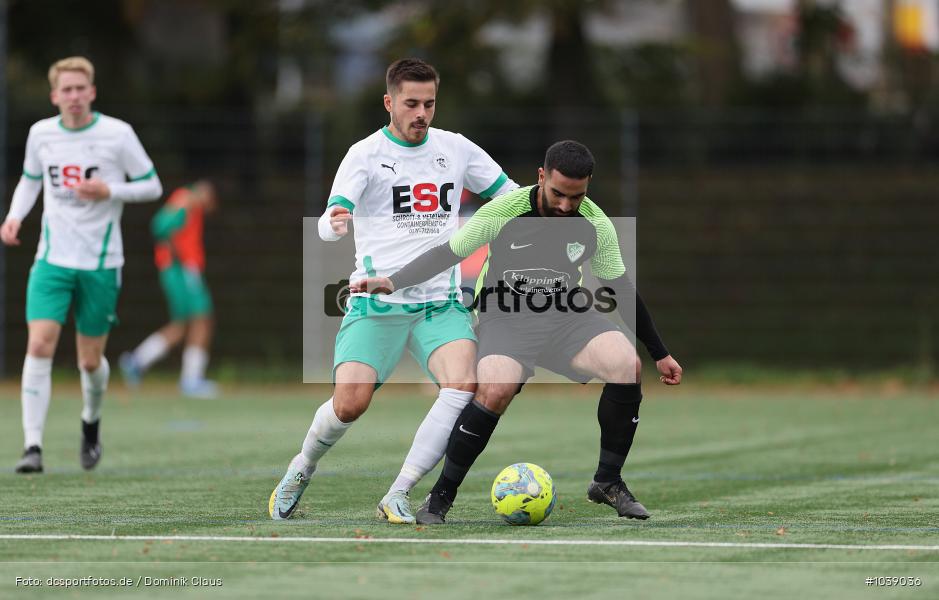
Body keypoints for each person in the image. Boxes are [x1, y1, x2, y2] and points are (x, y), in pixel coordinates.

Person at [352, 140, 683, 524]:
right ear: (541, 177)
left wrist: (659, 352)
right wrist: (394, 281)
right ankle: (441, 496)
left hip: (565, 316)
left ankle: (607, 482)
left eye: (575, 197)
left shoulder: (595, 223)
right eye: (558, 193)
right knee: (495, 387)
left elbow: (620, 289)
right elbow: (449, 252)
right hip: (504, 315)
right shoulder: (504, 211)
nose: (564, 206)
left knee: (626, 364)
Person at [268, 58, 518, 523]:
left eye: (429, 103)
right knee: (350, 404)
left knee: (462, 387)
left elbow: (509, 195)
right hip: (376, 303)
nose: (421, 113)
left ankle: (399, 492)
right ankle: (302, 467)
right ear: (389, 103)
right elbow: (329, 220)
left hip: (439, 305)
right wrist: (334, 224)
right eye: (411, 104)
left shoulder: (457, 149)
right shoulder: (363, 154)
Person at [1, 56, 163, 473]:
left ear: (91, 92)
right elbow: (30, 179)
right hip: (52, 260)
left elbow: (152, 185)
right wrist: (15, 215)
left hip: (101, 262)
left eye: (80, 89)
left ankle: (90, 424)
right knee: (38, 344)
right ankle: (32, 447)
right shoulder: (41, 134)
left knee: (89, 361)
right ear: (55, 95)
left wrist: (110, 189)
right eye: (66, 90)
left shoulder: (117, 134)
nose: (73, 97)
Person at [119, 180, 219, 398]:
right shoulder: (187, 199)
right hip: (181, 269)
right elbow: (159, 225)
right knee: (203, 319)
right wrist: (178, 256)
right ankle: (191, 379)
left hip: (179, 269)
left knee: (182, 324)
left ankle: (137, 360)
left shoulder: (191, 204)